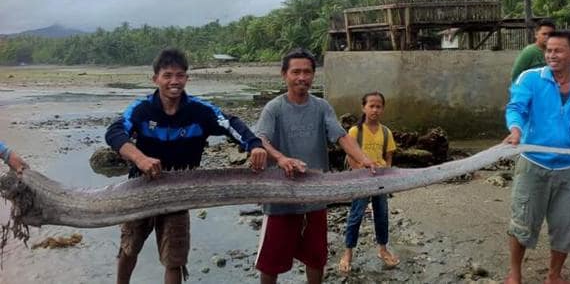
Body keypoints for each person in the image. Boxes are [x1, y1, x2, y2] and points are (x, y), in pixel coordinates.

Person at [105, 48, 267, 284]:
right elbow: (114, 132)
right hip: (140, 187)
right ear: (155, 79)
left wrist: (253, 145)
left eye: (180, 75)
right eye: (167, 75)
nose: (174, 81)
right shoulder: (141, 110)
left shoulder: (199, 111)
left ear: (186, 78)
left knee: (175, 258)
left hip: (182, 191)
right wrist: (140, 158)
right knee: (129, 246)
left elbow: (230, 122)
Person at [254, 48, 376, 284]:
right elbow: (261, 139)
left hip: (315, 197)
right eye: (296, 72)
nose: (302, 77)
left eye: (307, 72)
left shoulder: (321, 107)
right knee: (271, 262)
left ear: (313, 75)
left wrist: (363, 158)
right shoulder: (274, 108)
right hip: (281, 198)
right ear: (284, 75)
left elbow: (341, 136)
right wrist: (281, 158)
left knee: (316, 257)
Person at [504, 30, 570, 284]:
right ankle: (515, 273)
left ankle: (554, 275)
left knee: (567, 224)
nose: (551, 55)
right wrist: (516, 130)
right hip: (534, 162)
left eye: (558, 50)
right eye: (549, 50)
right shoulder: (531, 78)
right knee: (522, 221)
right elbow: (516, 107)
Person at [338, 91, 399, 273]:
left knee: (382, 214)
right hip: (362, 181)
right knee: (356, 215)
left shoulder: (386, 132)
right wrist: (360, 175)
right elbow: (350, 156)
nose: (375, 110)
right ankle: (348, 252)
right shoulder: (356, 131)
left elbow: (388, 157)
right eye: (371, 106)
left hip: (380, 181)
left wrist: (386, 174)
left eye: (378, 106)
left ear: (382, 109)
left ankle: (382, 249)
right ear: (363, 108)